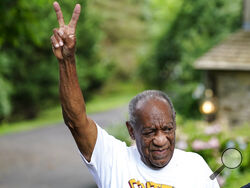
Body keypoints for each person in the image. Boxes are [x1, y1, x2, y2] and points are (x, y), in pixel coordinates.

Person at [50, 2, 220, 188]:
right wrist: (67, 60)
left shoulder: (194, 167)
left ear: (175, 124)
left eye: (167, 129)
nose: (161, 140)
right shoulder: (113, 159)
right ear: (131, 130)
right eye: (149, 132)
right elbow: (76, 121)